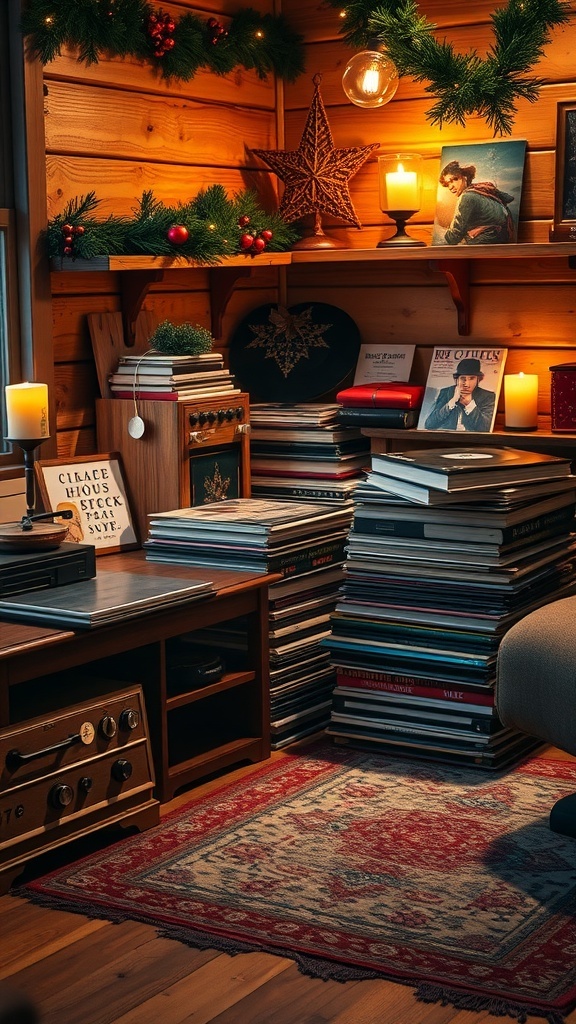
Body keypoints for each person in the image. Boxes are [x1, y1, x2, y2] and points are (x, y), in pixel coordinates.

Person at [438, 160, 515, 245]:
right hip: (503, 237)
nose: (450, 187)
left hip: (487, 242)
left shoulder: (467, 197)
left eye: (454, 180)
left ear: (465, 176)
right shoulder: (482, 188)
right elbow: (508, 198)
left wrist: (443, 239)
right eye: (447, 184)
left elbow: (454, 236)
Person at [424, 357, 496, 432]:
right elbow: (429, 424)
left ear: (478, 379)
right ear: (456, 379)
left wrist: (469, 404)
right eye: (463, 378)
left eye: (471, 378)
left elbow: (486, 427)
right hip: (447, 437)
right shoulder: (446, 392)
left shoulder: (488, 396)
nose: (467, 384)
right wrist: (451, 403)